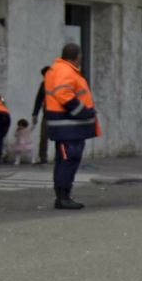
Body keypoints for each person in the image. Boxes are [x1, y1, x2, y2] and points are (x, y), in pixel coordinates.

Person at [42, 43, 100, 210]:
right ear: (77, 56)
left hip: (65, 127)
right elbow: (63, 94)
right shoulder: (65, 71)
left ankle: (63, 195)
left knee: (65, 160)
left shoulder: (58, 69)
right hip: (69, 128)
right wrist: (83, 112)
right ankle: (63, 197)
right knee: (68, 159)